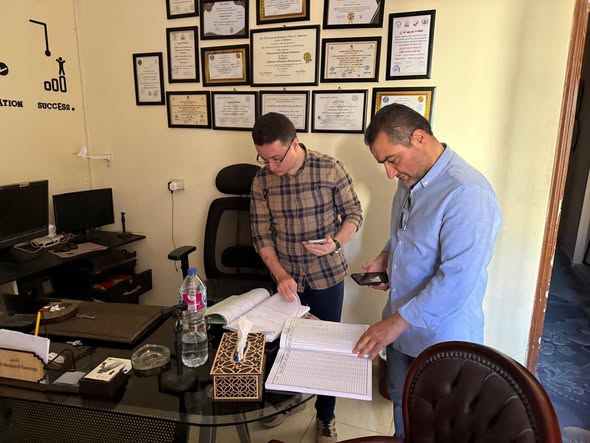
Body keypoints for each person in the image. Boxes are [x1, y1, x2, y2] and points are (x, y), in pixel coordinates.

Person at [352, 103, 502, 439]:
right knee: (403, 410)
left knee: (440, 426)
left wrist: (395, 322)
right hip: (402, 328)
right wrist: (387, 257)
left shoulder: (467, 193)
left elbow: (457, 280)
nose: (389, 173)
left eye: (392, 160)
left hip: (441, 338)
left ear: (419, 138)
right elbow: (405, 234)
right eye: (383, 163)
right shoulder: (410, 179)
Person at [250, 112, 363, 443]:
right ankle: (285, 401)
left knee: (326, 348)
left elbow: (354, 213)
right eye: (264, 158)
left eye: (277, 158)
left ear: (295, 144)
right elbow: (260, 234)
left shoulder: (329, 168)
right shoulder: (262, 181)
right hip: (286, 277)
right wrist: (280, 274)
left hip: (326, 274)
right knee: (283, 344)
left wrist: (336, 242)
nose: (271, 166)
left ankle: (325, 416)